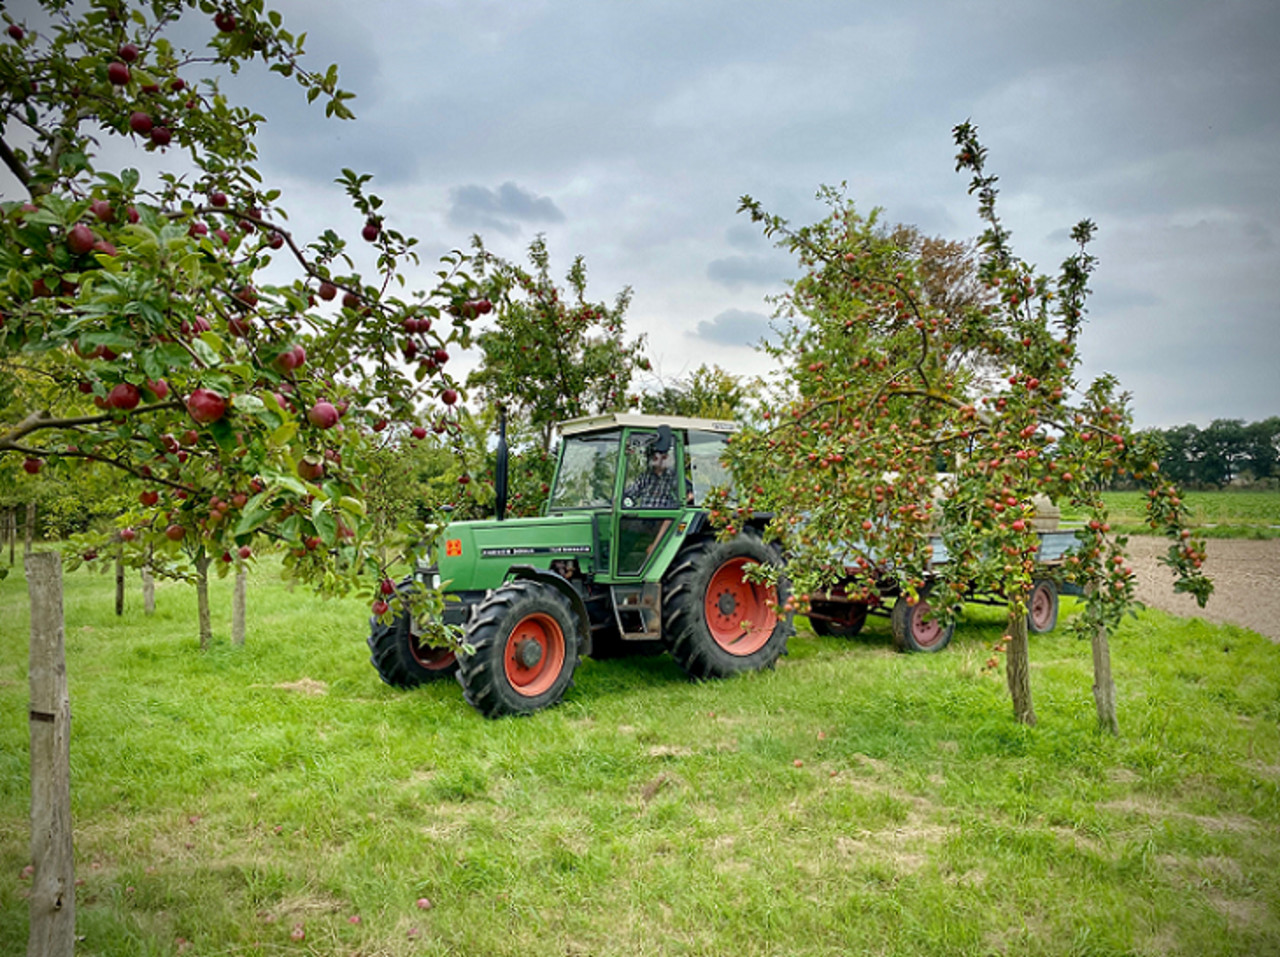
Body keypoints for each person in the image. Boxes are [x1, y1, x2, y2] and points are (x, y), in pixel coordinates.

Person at [624, 437, 678, 508]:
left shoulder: (674, 477)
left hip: (666, 517)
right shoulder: (645, 477)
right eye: (653, 455)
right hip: (644, 516)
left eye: (663, 455)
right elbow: (630, 494)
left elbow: (690, 496)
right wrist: (628, 504)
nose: (655, 457)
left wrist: (670, 518)